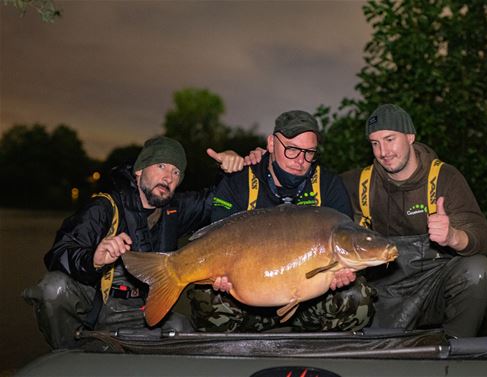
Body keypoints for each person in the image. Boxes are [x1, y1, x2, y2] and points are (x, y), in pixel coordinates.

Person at [23, 136, 245, 349]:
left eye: (176, 172)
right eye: (161, 166)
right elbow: (58, 253)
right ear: (139, 171)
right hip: (97, 305)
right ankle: (68, 356)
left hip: (138, 311)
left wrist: (233, 170)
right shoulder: (104, 206)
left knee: (181, 329)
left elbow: (218, 200)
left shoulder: (175, 209)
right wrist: (93, 260)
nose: (168, 177)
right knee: (53, 288)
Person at [187, 110, 377, 333]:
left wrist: (343, 275)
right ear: (271, 143)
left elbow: (346, 246)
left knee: (358, 299)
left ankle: (315, 356)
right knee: (206, 298)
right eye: (292, 149)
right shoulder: (239, 182)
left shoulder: (328, 185)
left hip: (311, 303)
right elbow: (215, 239)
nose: (300, 160)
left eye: (309, 153)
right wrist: (218, 277)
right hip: (248, 302)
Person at [341, 104, 487, 338]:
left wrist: (454, 236)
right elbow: (312, 185)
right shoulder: (358, 183)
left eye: (390, 139)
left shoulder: (445, 178)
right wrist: (266, 161)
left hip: (435, 287)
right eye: (375, 143)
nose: (383, 151)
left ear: (410, 136)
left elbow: (482, 238)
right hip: (383, 292)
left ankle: (456, 351)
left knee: (478, 270)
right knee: (347, 297)